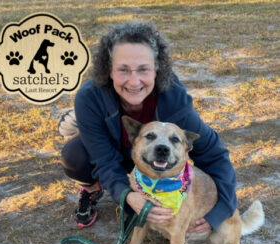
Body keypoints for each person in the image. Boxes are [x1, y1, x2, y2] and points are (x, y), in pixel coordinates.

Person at [59, 22, 237, 231]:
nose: (134, 82)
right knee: (75, 156)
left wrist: (221, 210)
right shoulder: (89, 97)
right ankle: (91, 188)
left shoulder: (174, 99)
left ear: (157, 69)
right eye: (123, 70)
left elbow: (213, 153)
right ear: (109, 70)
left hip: (154, 159)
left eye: (143, 70)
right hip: (116, 151)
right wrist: (127, 196)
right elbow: (104, 160)